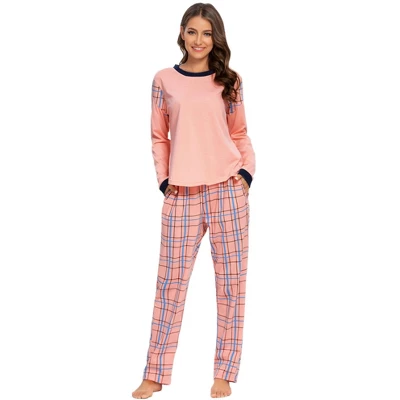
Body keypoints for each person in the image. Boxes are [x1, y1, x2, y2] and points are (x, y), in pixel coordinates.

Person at [132, 2, 256, 398]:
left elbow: (239, 133)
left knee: (231, 286)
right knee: (170, 284)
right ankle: (155, 373)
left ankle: (224, 373)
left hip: (227, 190)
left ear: (215, 38)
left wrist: (245, 176)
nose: (199, 40)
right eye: (192, 31)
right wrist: (165, 181)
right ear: (182, 33)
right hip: (181, 194)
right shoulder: (163, 80)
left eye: (207, 33)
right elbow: (159, 136)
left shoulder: (229, 80)